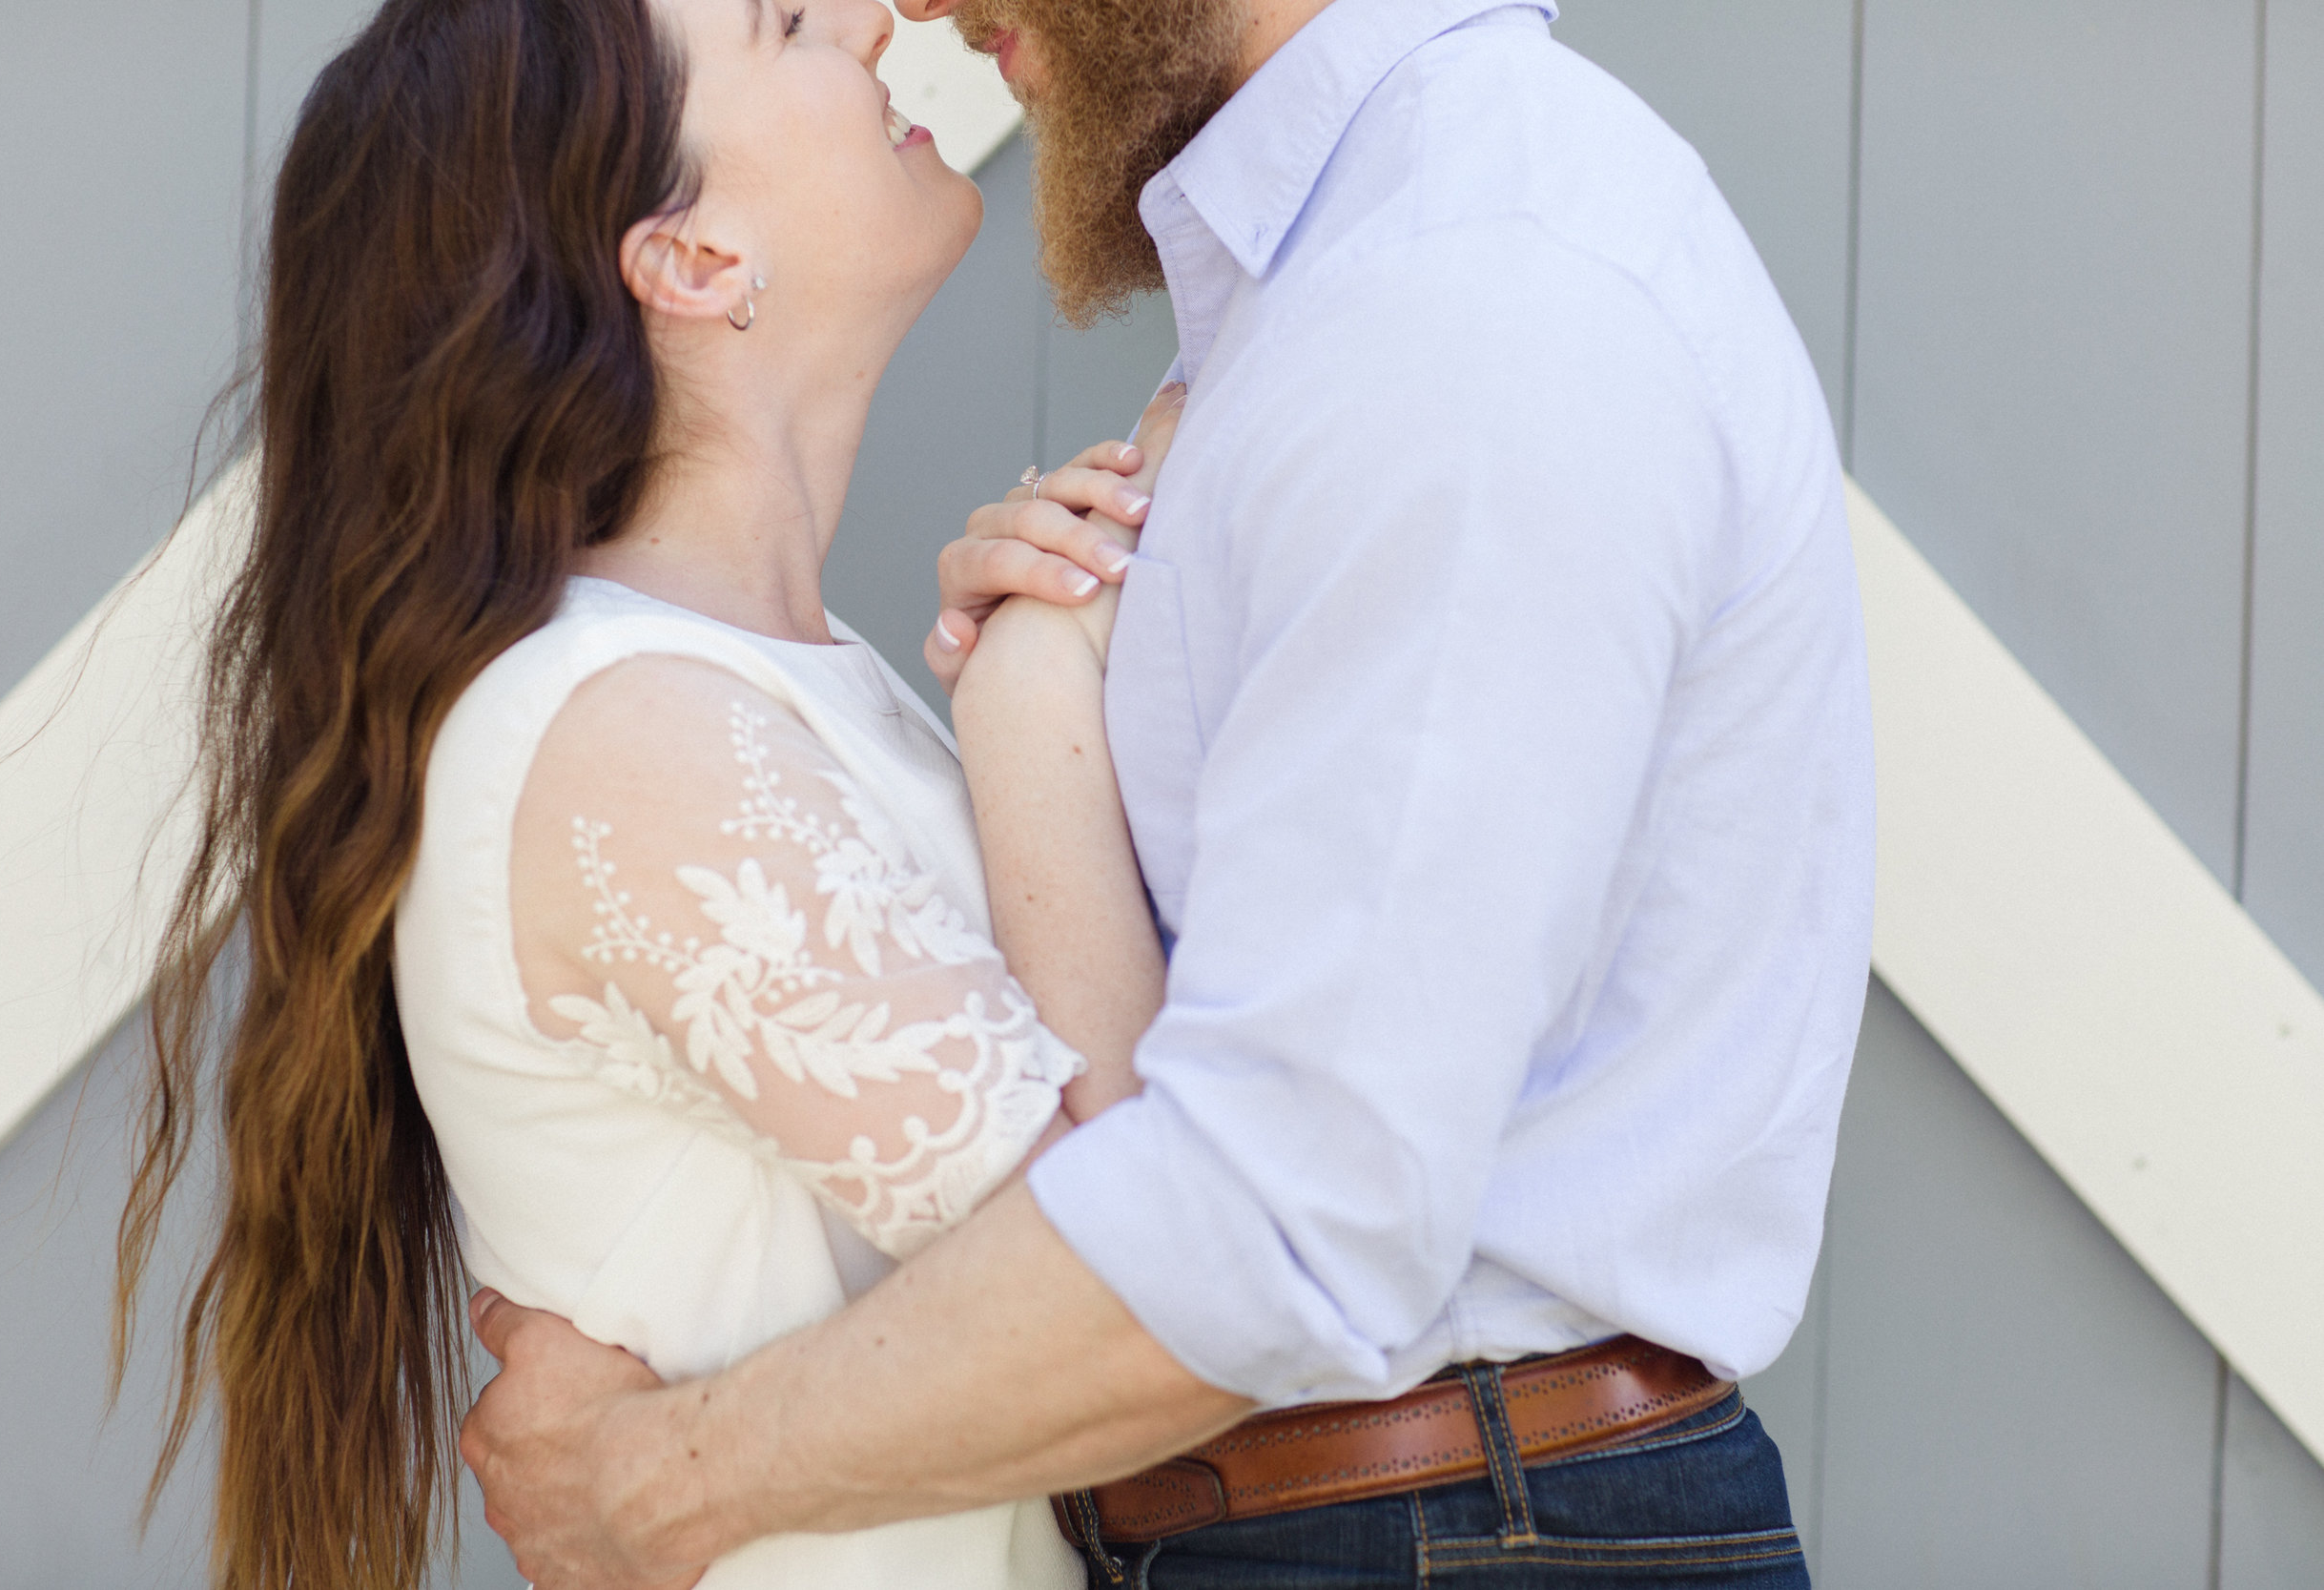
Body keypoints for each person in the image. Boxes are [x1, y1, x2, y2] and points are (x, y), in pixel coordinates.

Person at [458, 0, 1877, 1586]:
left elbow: (1274, 1228)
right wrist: (1046, 687)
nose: (908, 6)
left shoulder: (1468, 292)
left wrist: (653, 1479)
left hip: (1441, 1532)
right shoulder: (1341, 282)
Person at [115, 0, 1191, 1585]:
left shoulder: (741, 688)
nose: (872, 17)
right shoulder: (621, 737)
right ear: (688, 259)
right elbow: (1147, 1283)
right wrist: (1041, 684)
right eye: (781, 24)